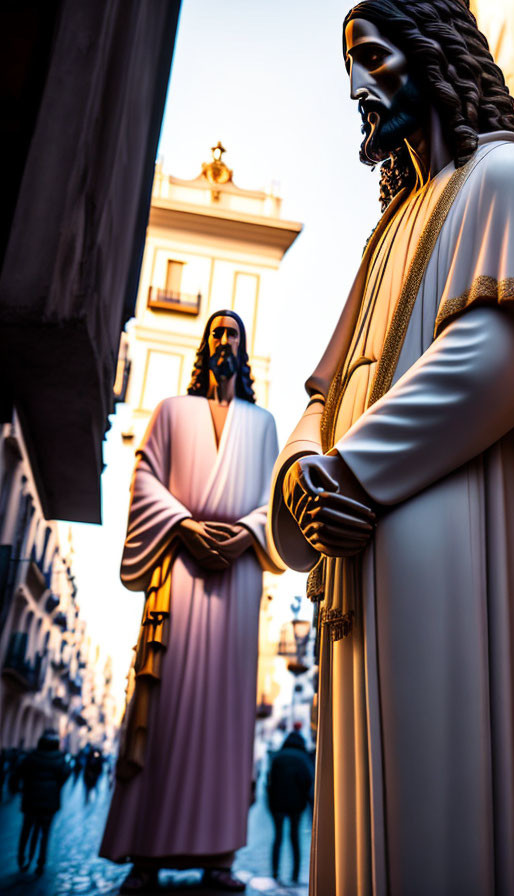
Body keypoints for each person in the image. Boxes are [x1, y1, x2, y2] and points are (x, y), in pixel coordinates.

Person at [268, 1, 514, 893]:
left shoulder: (508, 177)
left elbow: (506, 353)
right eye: (350, 71)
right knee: (359, 803)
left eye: (373, 57)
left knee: (439, 787)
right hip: (347, 547)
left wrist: (354, 474)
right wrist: (301, 474)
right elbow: (322, 393)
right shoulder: (382, 239)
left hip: (440, 518)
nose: (361, 87)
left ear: (434, 50)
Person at [100, 310, 282, 893]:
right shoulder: (171, 413)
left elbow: (275, 493)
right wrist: (182, 526)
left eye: (233, 335)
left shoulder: (264, 424)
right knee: (172, 709)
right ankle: (148, 852)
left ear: (243, 350)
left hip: (240, 574)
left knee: (227, 720)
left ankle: (218, 854)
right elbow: (146, 477)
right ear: (204, 346)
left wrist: (249, 531)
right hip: (178, 568)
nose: (224, 342)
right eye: (217, 334)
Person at [13, 729, 70, 875]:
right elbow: (65, 774)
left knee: (26, 830)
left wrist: (21, 788)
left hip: (31, 800)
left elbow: (19, 773)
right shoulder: (59, 759)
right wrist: (55, 786)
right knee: (45, 833)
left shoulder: (31, 757)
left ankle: (22, 858)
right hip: (49, 803)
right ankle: (41, 861)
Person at [266, 731, 314, 885]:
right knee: (295, 839)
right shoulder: (303, 758)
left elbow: (269, 782)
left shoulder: (278, 757)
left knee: (278, 838)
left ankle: (274, 872)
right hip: (296, 805)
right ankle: (295, 875)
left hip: (277, 805)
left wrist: (271, 803)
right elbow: (308, 782)